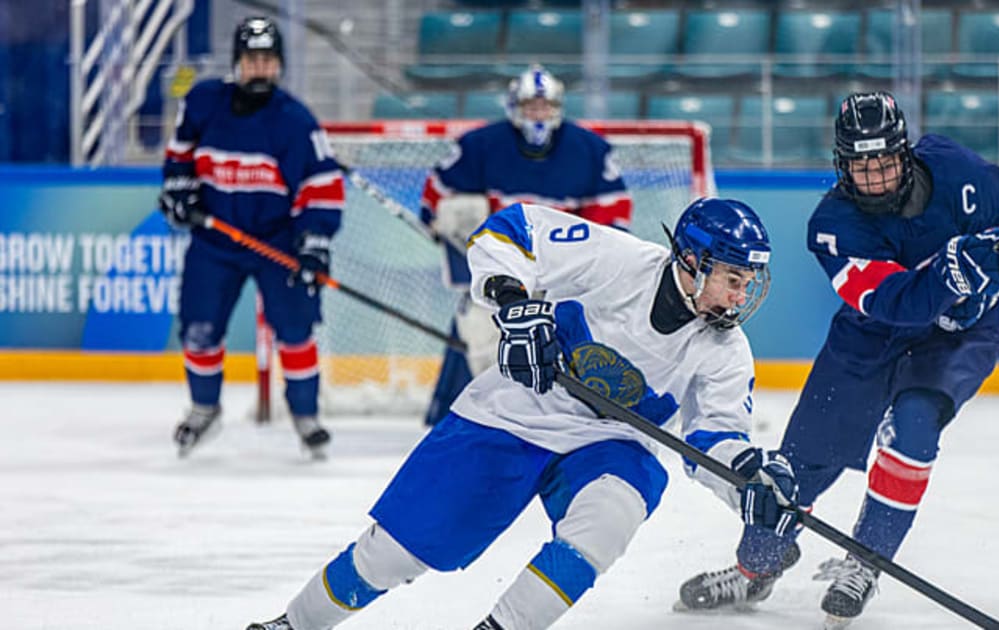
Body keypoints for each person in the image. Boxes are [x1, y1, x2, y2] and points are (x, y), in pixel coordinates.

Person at [245, 198, 795, 630]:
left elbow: (714, 440)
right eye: (732, 279)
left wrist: (750, 480)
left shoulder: (725, 350)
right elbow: (509, 231)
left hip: (609, 442)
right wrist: (513, 305)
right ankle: (292, 624)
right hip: (514, 412)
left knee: (609, 518)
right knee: (391, 555)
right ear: (693, 262)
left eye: (748, 284)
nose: (740, 296)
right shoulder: (619, 261)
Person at [674, 92, 999, 628]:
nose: (877, 177)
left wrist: (988, 287)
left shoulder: (958, 172)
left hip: (955, 342)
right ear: (843, 168)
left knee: (913, 429)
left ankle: (864, 563)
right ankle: (754, 570)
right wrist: (951, 279)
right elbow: (895, 303)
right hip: (870, 339)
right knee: (796, 470)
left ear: (905, 153)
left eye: (885, 161)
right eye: (862, 167)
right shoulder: (833, 227)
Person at [160, 16, 344, 459]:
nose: (260, 69)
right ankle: (204, 408)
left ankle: (305, 416)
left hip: (275, 242)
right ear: (237, 63)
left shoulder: (296, 122)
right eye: (252, 60)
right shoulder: (204, 102)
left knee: (296, 330)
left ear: (278, 65)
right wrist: (179, 191)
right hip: (215, 240)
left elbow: (321, 186)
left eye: (268, 60)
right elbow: (180, 153)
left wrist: (314, 244)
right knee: (199, 329)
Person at [418, 63, 633, 427]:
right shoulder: (481, 145)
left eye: (545, 107)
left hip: (563, 268)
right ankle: (448, 416)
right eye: (531, 107)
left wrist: (589, 263)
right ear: (514, 108)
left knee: (574, 333)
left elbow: (614, 213)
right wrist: (438, 222)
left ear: (558, 108)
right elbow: (438, 191)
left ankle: (578, 414)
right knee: (474, 323)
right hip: (506, 262)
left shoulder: (589, 149)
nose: (538, 115)